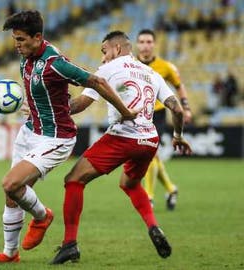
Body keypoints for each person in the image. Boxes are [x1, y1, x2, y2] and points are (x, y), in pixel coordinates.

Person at [0, 11, 138, 264]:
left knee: (11, 184)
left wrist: (126, 112)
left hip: (55, 139)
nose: (16, 45)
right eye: (15, 39)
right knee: (12, 194)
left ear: (37, 37)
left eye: (20, 39)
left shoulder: (55, 63)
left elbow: (97, 81)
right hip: (29, 131)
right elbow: (53, 97)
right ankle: (10, 254)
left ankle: (42, 217)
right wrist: (35, 107)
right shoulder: (27, 56)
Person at [51, 31, 192, 264]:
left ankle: (69, 245)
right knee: (130, 183)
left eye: (104, 51)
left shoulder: (107, 69)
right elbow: (176, 109)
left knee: (73, 179)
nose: (103, 58)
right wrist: (177, 136)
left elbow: (79, 105)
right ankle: (154, 227)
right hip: (149, 140)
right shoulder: (152, 73)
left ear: (116, 49)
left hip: (122, 137)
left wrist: (50, 108)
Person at [136, 29, 192, 210]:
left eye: (149, 42)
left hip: (157, 114)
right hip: (137, 115)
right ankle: (170, 188)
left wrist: (186, 107)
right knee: (151, 155)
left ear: (154, 44)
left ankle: (149, 197)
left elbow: (179, 86)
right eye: (142, 42)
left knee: (150, 152)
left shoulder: (165, 66)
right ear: (137, 44)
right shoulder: (131, 65)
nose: (145, 45)